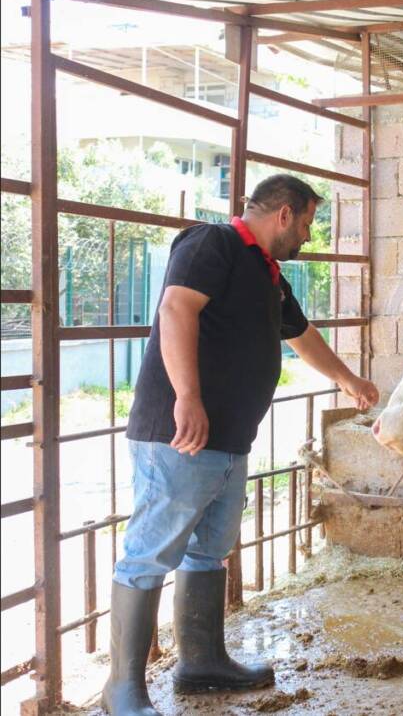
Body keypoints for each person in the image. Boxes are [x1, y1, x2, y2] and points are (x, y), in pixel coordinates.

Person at [103, 174, 379, 716]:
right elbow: (176, 310)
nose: (307, 234)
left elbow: (300, 334)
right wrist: (187, 396)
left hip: (229, 440)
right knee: (150, 552)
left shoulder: (266, 272)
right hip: (178, 434)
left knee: (209, 550)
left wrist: (348, 379)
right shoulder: (213, 244)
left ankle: (201, 662)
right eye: (305, 222)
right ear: (283, 214)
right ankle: (121, 688)